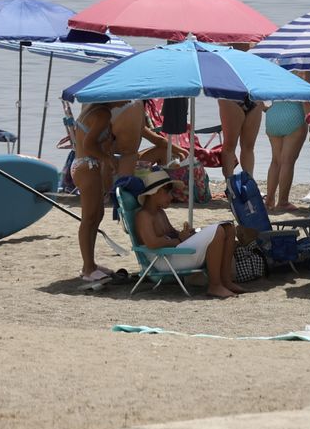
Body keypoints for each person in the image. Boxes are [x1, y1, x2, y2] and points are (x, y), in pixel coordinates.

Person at [70, 99, 168, 283]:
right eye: (124, 100)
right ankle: (88, 267)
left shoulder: (98, 110)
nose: (126, 103)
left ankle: (90, 265)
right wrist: (107, 159)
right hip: (86, 166)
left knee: (96, 216)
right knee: (89, 218)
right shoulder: (102, 114)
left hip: (88, 165)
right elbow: (90, 145)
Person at [130, 167, 242, 298]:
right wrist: (178, 240)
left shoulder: (159, 213)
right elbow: (152, 243)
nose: (171, 197)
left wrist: (184, 234)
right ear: (156, 192)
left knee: (228, 228)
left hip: (173, 254)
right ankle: (215, 286)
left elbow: (172, 233)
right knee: (218, 231)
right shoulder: (144, 216)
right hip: (163, 260)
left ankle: (226, 281)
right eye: (168, 192)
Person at [263, 75, 310, 211]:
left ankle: (269, 200)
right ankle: (283, 202)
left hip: (273, 114)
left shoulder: (274, 67)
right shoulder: (302, 70)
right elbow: (306, 99)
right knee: (287, 162)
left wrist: (263, 107)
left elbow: (256, 90)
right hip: (293, 113)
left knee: (276, 161)